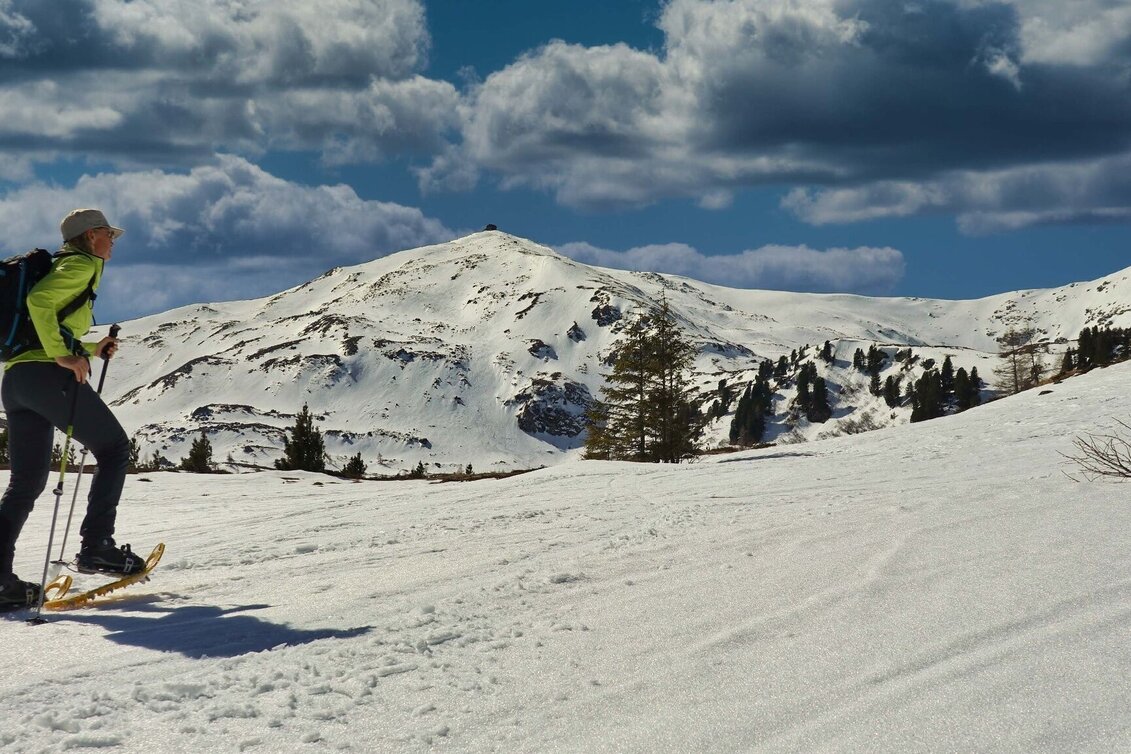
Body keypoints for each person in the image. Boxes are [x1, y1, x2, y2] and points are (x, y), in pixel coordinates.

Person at [0, 209, 144, 608]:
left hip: (17, 383)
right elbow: (39, 302)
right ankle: (97, 545)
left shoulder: (59, 266)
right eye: (110, 235)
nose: (114, 241)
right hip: (46, 377)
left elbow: (42, 326)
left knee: (25, 484)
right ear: (92, 235)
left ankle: (0, 582)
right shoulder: (80, 265)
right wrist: (64, 356)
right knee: (114, 448)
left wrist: (86, 350)